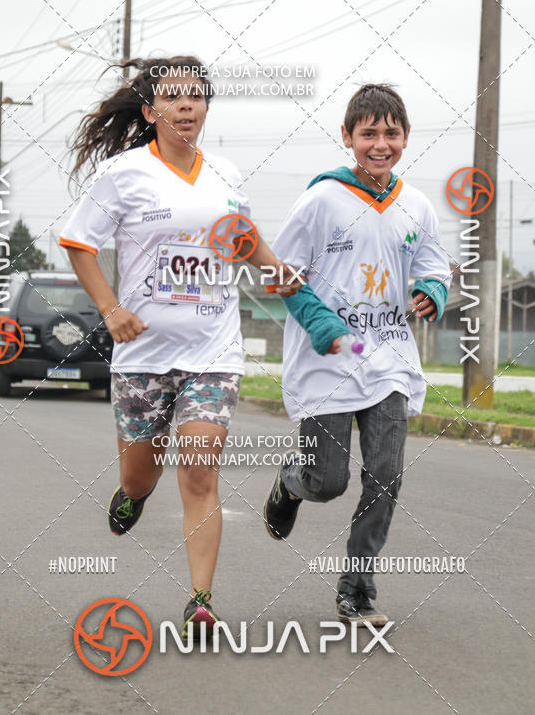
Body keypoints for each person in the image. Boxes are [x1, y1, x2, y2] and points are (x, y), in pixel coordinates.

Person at [59, 56, 298, 639]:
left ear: (206, 108)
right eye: (172, 97)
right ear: (150, 111)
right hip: (142, 355)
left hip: (213, 351)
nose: (186, 105)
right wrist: (111, 310)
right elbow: (78, 243)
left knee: (198, 469)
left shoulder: (225, 173)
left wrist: (275, 268)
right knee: (141, 477)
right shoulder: (122, 174)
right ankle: (132, 495)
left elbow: (241, 236)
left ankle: (200, 601)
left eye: (196, 96)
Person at [263, 83, 451, 626]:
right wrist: (320, 321)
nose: (380, 144)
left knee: (385, 477)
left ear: (406, 137)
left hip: (389, 359)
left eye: (391, 133)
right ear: (347, 137)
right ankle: (291, 483)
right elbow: (281, 273)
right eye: (368, 133)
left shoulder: (416, 205)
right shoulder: (321, 201)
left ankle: (357, 591)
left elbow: (435, 266)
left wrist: (433, 291)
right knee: (328, 482)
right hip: (327, 363)